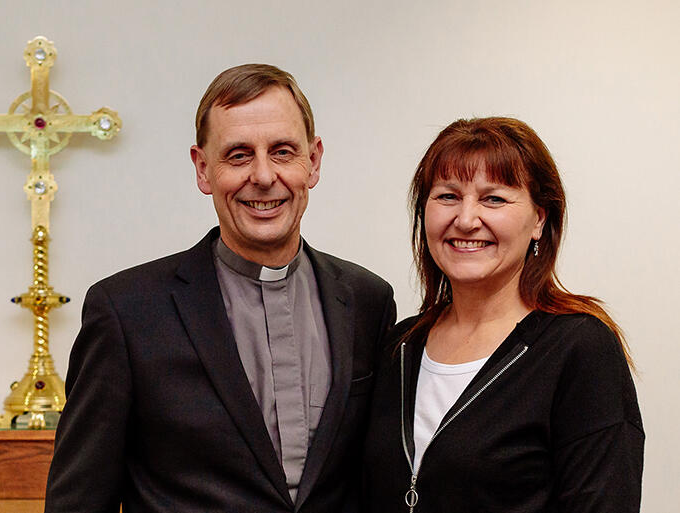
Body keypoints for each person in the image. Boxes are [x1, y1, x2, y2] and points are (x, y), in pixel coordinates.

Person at [44, 64, 396, 513]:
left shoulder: (368, 301)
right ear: (203, 169)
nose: (264, 176)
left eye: (283, 151)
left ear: (314, 160)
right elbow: (78, 501)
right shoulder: (126, 312)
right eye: (238, 155)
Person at [362, 117, 643, 512]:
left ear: (539, 219)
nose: (465, 219)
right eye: (447, 196)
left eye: (493, 199)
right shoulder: (400, 346)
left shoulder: (579, 349)